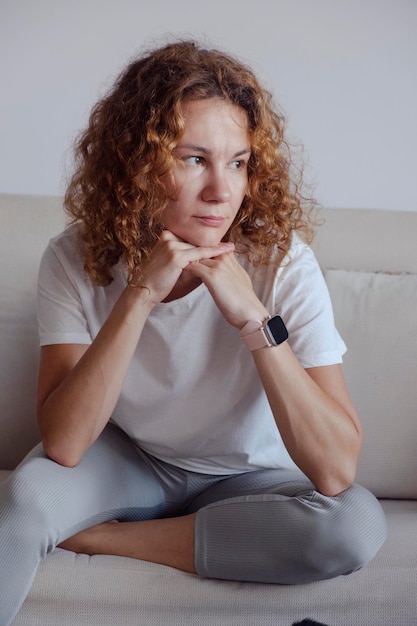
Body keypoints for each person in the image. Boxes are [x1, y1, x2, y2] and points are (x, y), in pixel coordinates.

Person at [0, 39, 387, 625]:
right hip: (133, 460)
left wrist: (255, 321)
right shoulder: (74, 258)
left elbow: (336, 469)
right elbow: (66, 444)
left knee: (355, 524)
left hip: (248, 477)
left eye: (237, 162)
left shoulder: (282, 263)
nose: (221, 190)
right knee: (26, 501)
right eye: (193, 159)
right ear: (138, 161)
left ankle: (106, 537)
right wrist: (140, 294)